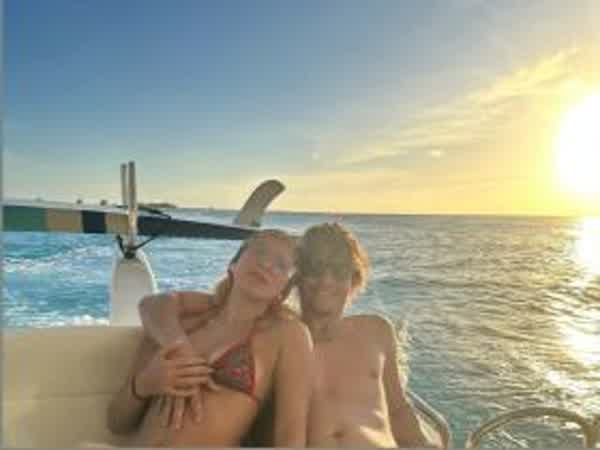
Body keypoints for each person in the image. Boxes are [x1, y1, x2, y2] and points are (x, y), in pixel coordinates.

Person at [106, 229, 314, 447]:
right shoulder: (174, 325)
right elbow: (116, 422)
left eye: (281, 265)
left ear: (283, 289)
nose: (267, 265)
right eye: (260, 252)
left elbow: (291, 437)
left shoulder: (287, 335)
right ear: (233, 265)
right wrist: (144, 384)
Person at [296, 222, 441, 448]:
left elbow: (397, 408)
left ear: (354, 278)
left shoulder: (377, 332)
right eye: (314, 267)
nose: (326, 280)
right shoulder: (279, 341)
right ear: (297, 275)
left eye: (338, 269)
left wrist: (421, 443)